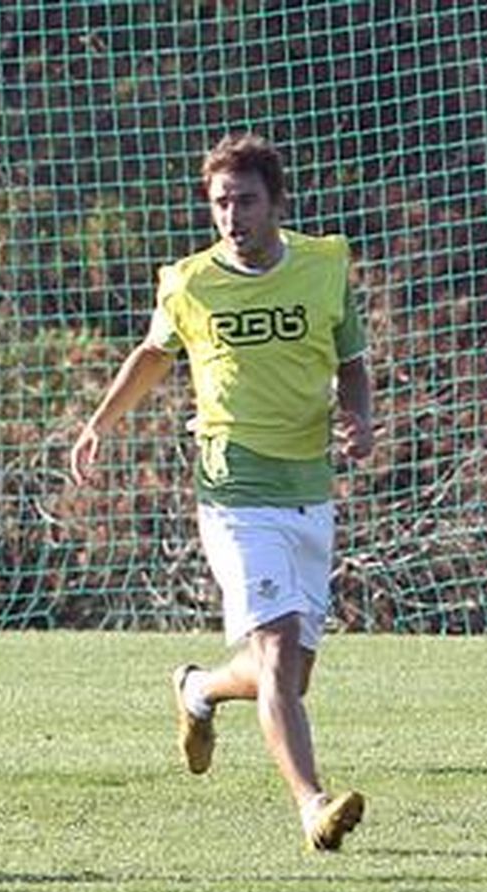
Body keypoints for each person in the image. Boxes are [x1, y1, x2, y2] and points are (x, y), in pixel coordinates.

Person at [70, 133, 374, 851]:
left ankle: (198, 689)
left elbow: (352, 361)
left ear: (276, 203)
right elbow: (152, 353)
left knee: (291, 676)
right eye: (219, 203)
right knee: (274, 654)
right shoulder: (189, 282)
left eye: (245, 200)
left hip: (309, 485)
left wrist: (359, 415)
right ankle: (312, 805)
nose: (231, 216)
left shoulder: (325, 267)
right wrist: (98, 424)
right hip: (233, 486)